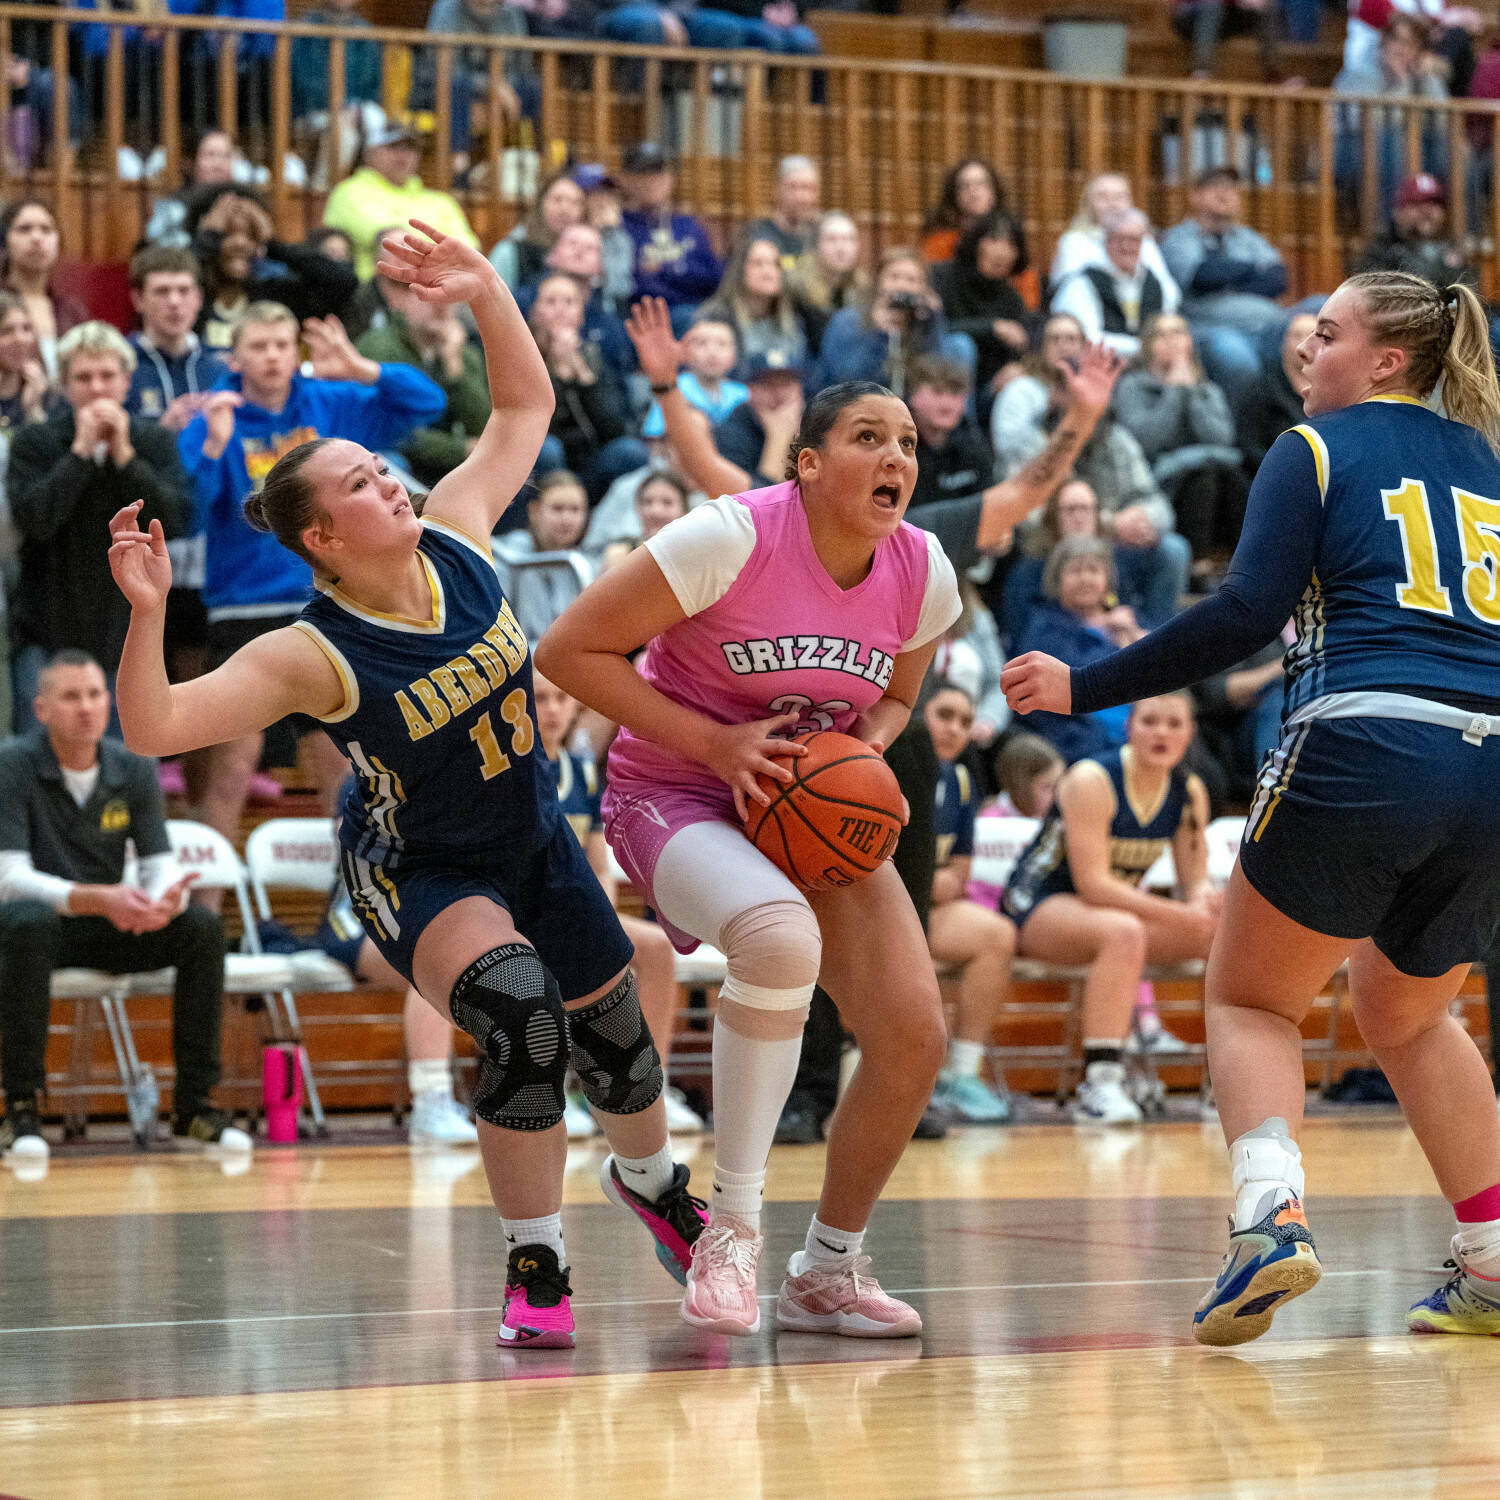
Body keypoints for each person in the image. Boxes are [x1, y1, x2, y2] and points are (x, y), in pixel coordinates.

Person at [109, 219, 708, 1349]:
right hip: (421, 867)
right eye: (362, 482)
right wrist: (147, 619)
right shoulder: (313, 649)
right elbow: (155, 726)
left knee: (619, 1032)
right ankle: (537, 1262)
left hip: (533, 836)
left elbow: (522, 411)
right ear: (324, 539)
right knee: (522, 1018)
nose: (389, 478)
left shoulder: (464, 537)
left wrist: (487, 289)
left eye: (380, 467)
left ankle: (652, 1181)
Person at [1002, 269, 1500, 1341]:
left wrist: (1083, 685)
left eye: (1325, 335)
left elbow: (1243, 613)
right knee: (1410, 1013)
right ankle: (1496, 1261)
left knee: (1250, 1000)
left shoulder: (1312, 448)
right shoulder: (1491, 467)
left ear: (1387, 360)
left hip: (1368, 737)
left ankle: (1268, 1222)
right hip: (1493, 766)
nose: (1302, 352)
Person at [535, 373, 964, 1341]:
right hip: (673, 790)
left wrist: (852, 756)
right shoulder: (728, 536)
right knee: (776, 940)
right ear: (807, 464)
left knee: (909, 1030)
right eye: (867, 437)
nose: (896, 456)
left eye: (906, 441)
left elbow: (896, 698)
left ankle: (828, 1269)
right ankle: (727, 1230)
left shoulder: (923, 569)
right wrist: (718, 745)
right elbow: (567, 652)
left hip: (798, 804)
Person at [177, 302, 446, 848]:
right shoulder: (216, 417)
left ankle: (355, 910)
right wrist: (211, 444)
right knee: (234, 766)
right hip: (242, 608)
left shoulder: (329, 401)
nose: (273, 358)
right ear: (236, 356)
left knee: (344, 772)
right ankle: (207, 915)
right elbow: (186, 511)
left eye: (282, 345)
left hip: (324, 601)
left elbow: (428, 402)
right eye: (259, 347)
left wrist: (361, 368)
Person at [0, 651, 247, 1161]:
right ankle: (22, 1107)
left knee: (200, 927)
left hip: (110, 923)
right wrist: (98, 898)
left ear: (109, 703)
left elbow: (157, 863)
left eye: (94, 695)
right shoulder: (14, 765)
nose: (86, 708)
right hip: (43, 927)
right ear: (41, 709)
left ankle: (194, 1108)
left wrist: (162, 901)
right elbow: (9, 877)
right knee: (28, 921)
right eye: (70, 697)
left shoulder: (133, 768)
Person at [1000, 691, 1217, 1123]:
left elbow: (1195, 879)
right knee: (1123, 932)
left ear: (1189, 733)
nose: (1161, 733)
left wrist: (1204, 903)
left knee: (1223, 932)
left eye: (1174, 724)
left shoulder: (1188, 790)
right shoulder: (1090, 779)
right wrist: (1182, 914)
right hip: (1041, 905)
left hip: (1113, 916)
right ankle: (1099, 1084)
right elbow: (1093, 885)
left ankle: (1223, 1082)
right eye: (1150, 721)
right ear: (1129, 727)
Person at [532, 669, 706, 1134]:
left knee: (653, 947)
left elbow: (597, 865)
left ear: (575, 708)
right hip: (521, 912)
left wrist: (600, 918)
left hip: (571, 907)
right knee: (554, 957)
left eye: (560, 698)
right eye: (540, 698)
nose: (551, 709)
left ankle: (651, 1087)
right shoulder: (512, 770)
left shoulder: (582, 771)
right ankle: (558, 1090)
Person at [9, 323, 188, 728]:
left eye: (107, 376)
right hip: (46, 633)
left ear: (126, 382)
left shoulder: (153, 443)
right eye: (83, 378)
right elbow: (36, 520)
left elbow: (175, 522)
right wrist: (81, 452)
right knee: (40, 766)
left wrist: (124, 456)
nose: (97, 388)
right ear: (65, 386)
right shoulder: (34, 443)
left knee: (130, 764)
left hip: (129, 638)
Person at [923, 680, 1016, 1123]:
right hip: (874, 914)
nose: (955, 728)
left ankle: (960, 1074)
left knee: (996, 936)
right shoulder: (879, 771)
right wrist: (928, 883)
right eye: (944, 715)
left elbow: (959, 873)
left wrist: (933, 883)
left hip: (927, 910)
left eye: (964, 721)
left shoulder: (960, 780)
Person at [1112, 313, 1247, 579]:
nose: (1172, 341)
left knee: (1231, 477)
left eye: (1178, 333)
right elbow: (1145, 442)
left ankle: (1246, 564)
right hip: (1154, 479)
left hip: (1207, 477)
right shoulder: (1132, 387)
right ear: (1148, 344)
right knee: (1204, 478)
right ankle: (1193, 566)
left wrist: (1192, 392)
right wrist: (1174, 392)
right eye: (1163, 335)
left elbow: (1221, 439)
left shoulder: (1206, 388)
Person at [1159, 166, 1290, 416]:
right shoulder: (1179, 238)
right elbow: (1201, 277)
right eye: (1215, 187)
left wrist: (1227, 278)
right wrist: (1251, 270)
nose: (1225, 194)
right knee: (1238, 360)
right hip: (1210, 328)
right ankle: (1238, 439)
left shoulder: (1247, 237)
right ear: (1195, 196)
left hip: (1267, 323)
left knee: (1318, 308)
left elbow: (1277, 279)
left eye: (1231, 189)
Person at [354, 271, 493, 490]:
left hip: (445, 457)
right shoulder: (379, 347)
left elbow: (483, 426)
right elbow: (387, 429)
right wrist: (458, 449)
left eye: (448, 297)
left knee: (521, 456)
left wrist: (453, 363)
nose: (441, 306)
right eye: (428, 296)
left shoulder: (463, 353)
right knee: (392, 465)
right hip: (394, 453)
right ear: (401, 300)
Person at [1013, 535, 1142, 763]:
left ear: (1107, 579)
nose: (1085, 579)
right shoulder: (1044, 626)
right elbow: (1072, 678)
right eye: (1075, 571)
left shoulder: (1125, 623)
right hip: (1078, 736)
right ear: (1057, 579)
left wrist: (1137, 641)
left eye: (1093, 570)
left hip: (1138, 733)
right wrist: (1103, 632)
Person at [192, 190, 360, 355]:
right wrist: (207, 239)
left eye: (251, 235)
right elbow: (176, 273)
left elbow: (343, 280)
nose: (239, 243)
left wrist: (271, 244)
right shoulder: (190, 293)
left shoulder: (275, 294)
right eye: (226, 234)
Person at [528, 273, 648, 499]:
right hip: (546, 459)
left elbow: (616, 428)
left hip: (591, 461)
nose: (560, 309)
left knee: (630, 452)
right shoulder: (521, 354)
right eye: (551, 302)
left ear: (581, 315)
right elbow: (532, 426)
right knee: (548, 449)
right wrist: (560, 379)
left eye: (569, 302)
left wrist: (584, 377)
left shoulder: (594, 356)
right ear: (535, 312)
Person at [323, 124, 480, 280]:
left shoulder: (441, 201)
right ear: (369, 152)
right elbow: (394, 242)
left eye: (410, 148)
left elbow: (467, 250)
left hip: (440, 290)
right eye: (393, 147)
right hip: (376, 292)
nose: (403, 155)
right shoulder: (349, 192)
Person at [816, 247, 971, 396]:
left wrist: (930, 325)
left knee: (960, 344)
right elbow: (846, 382)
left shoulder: (924, 322)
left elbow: (937, 382)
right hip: (859, 406)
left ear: (924, 288)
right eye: (894, 277)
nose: (901, 286)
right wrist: (878, 335)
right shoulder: (847, 321)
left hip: (910, 413)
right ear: (878, 281)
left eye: (912, 280)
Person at [1050, 209, 1180, 362]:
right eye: (1119, 239)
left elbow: (1168, 325)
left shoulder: (1156, 282)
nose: (1127, 247)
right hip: (1099, 367)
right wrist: (1140, 348)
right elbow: (1087, 338)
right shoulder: (1081, 283)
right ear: (1106, 241)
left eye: (1134, 240)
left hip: (1151, 367)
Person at [617, 143, 722, 327]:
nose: (651, 181)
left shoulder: (689, 225)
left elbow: (713, 277)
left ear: (670, 179)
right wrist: (680, 275)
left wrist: (664, 270)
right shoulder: (618, 225)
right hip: (635, 316)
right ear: (626, 179)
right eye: (642, 174)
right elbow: (627, 285)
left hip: (691, 312)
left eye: (658, 173)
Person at [125, 247, 228, 433]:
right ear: (138, 299)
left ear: (198, 298)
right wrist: (161, 431)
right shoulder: (120, 365)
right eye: (162, 291)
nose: (174, 301)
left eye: (184, 290)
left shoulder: (221, 367)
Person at [930, 211, 1033, 397]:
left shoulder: (1012, 299)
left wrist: (1018, 367)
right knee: (961, 345)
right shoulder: (943, 276)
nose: (1001, 251)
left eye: (1011, 244)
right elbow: (935, 329)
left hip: (989, 389)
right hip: (940, 381)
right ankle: (963, 423)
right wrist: (992, 327)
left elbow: (1019, 349)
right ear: (976, 243)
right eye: (994, 240)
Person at [493, 469, 592, 644]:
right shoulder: (510, 555)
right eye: (557, 509)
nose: (566, 519)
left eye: (575, 510)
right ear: (534, 511)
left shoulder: (581, 563)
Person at [0, 198, 87, 382]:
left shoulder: (72, 309)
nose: (36, 238)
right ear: (4, 241)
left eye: (46, 230)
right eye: (24, 229)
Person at [699, 236, 808, 374]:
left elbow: (805, 371)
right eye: (758, 263)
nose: (767, 272)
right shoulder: (714, 316)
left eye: (775, 264)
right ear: (740, 270)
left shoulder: (794, 318)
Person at [1352, 172, 1477, 291]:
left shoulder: (1450, 248)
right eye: (1417, 204)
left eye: (1435, 204)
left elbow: (1468, 295)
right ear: (1398, 212)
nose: (1428, 212)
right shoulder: (1379, 251)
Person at [906, 354, 996, 511]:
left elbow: (990, 511)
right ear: (913, 396)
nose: (947, 405)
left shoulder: (975, 446)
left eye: (955, 394)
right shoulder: (894, 452)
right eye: (937, 392)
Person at [640, 316, 747, 441]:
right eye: (702, 343)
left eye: (722, 344)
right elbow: (654, 436)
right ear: (686, 351)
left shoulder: (743, 393)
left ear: (735, 356)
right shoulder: (672, 387)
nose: (712, 352)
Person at [712, 349, 805, 488]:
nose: (779, 394)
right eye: (768, 385)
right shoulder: (731, 431)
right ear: (750, 390)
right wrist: (778, 438)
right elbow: (751, 500)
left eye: (786, 384)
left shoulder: (815, 422)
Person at [789, 211, 868, 358]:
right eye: (832, 239)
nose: (841, 248)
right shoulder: (796, 289)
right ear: (816, 245)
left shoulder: (865, 289)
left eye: (849, 239)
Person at [489, 172, 586, 289]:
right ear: (540, 205)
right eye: (557, 200)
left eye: (574, 202)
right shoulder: (510, 251)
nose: (564, 209)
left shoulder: (588, 252)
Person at [920, 158, 1009, 266]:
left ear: (994, 191)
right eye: (964, 186)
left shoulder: (1009, 237)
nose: (972, 191)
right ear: (954, 196)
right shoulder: (940, 242)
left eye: (980, 183)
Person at [740, 156, 822, 267]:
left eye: (808, 188)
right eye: (793, 187)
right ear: (777, 189)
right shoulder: (757, 234)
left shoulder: (825, 235)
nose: (801, 197)